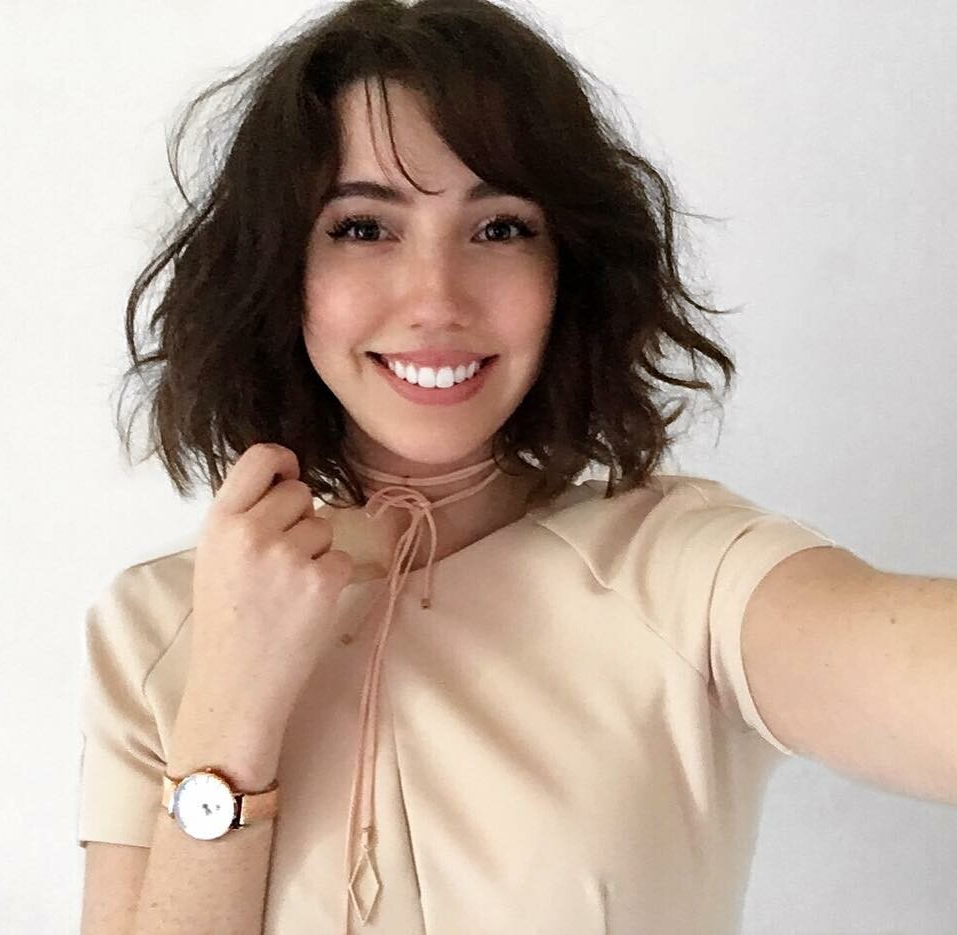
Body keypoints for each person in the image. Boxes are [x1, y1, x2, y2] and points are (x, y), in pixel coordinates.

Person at [75, 1, 846, 932]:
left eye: (500, 228)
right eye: (364, 227)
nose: (436, 298)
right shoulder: (153, 626)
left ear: (569, 269)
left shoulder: (684, 571)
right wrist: (228, 716)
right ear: (281, 268)